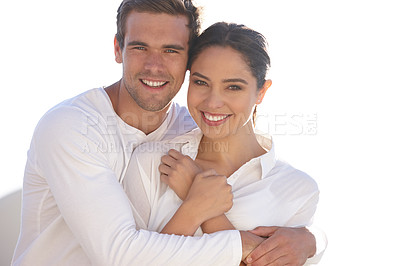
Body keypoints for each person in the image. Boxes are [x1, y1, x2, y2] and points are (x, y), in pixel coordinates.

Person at [12, 0, 323, 265]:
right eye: (140, 47)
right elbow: (119, 255)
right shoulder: (72, 127)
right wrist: (240, 241)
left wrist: (312, 239)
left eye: (171, 51)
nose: (155, 65)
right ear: (118, 48)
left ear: (188, 60)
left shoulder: (194, 128)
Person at [123, 22, 323, 265]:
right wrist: (195, 208)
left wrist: (200, 200)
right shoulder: (152, 163)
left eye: (233, 87)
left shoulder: (297, 190)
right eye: (201, 83)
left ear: (261, 92)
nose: (213, 102)